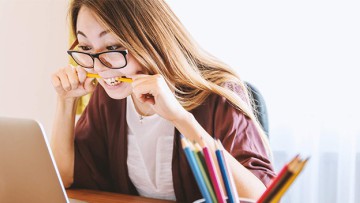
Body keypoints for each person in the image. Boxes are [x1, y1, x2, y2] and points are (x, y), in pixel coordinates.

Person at [50, 0, 275, 202]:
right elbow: (64, 178)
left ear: (150, 40)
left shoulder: (218, 94)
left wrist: (180, 118)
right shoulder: (109, 97)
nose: (98, 67)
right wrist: (66, 102)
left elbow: (260, 197)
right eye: (86, 48)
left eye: (113, 47)